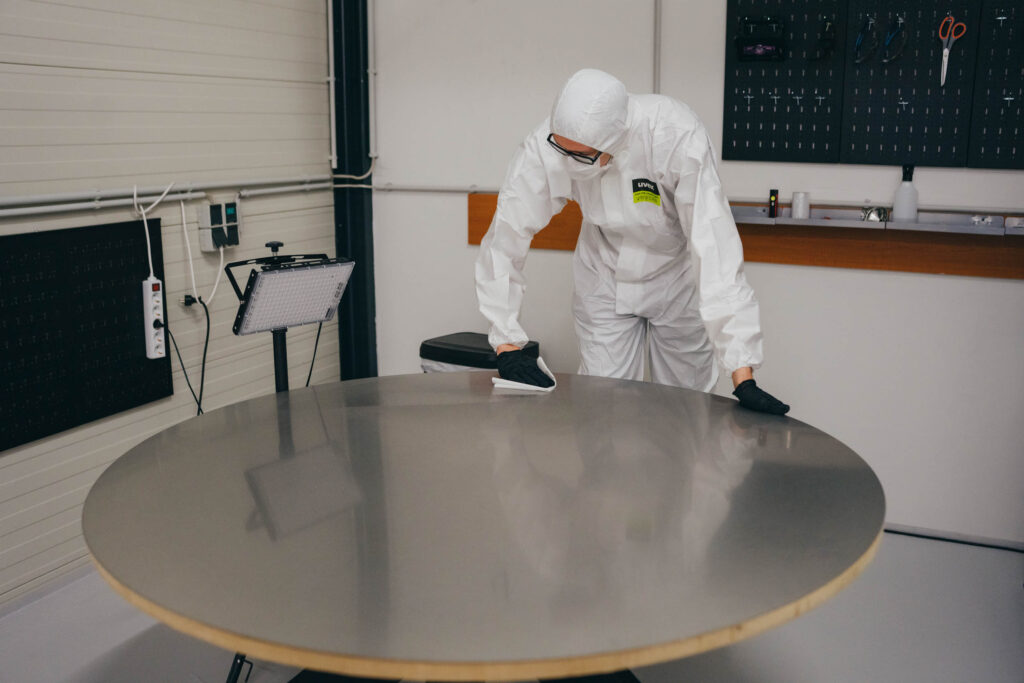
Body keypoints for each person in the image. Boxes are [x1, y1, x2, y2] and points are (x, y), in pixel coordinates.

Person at [475, 68, 788, 414]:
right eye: (563, 152)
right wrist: (507, 341)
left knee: (687, 407)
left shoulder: (676, 135)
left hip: (676, 279)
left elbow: (714, 245)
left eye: (583, 156)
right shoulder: (550, 143)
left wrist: (742, 372)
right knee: (599, 404)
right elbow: (506, 235)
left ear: (617, 141)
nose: (569, 163)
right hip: (603, 273)